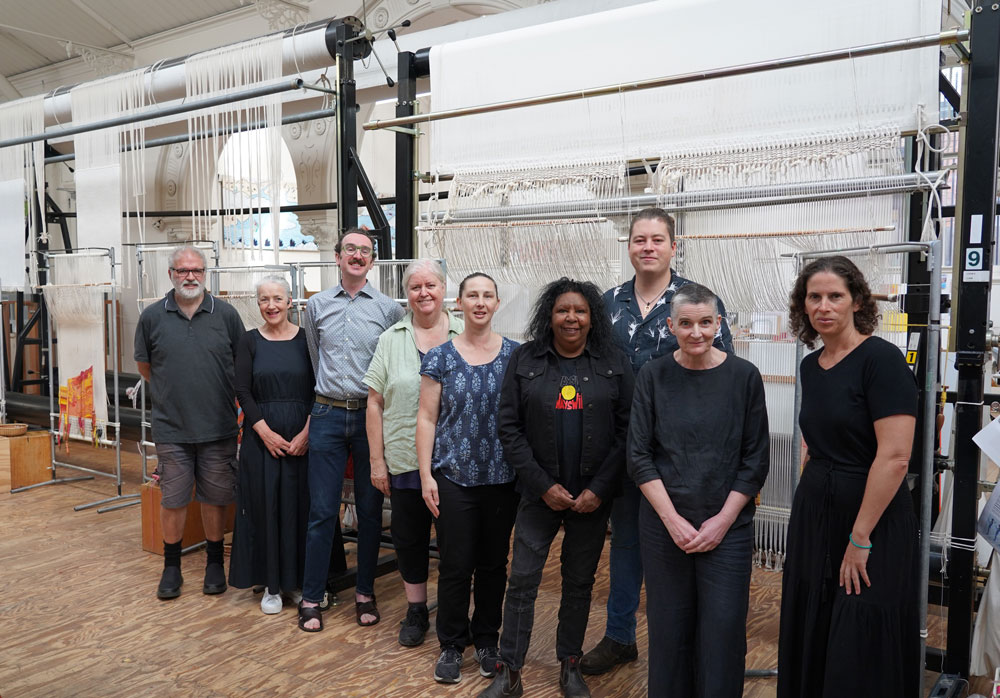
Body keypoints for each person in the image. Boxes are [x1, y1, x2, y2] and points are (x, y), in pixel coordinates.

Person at [583, 207, 734, 675]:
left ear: (674, 246)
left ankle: (688, 646)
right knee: (627, 544)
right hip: (622, 450)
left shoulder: (696, 303)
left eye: (657, 239)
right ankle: (620, 636)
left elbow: (723, 373)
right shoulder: (607, 305)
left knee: (683, 549)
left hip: (683, 453)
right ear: (629, 247)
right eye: (638, 240)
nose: (647, 247)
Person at [480, 278, 634, 698]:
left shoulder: (614, 362)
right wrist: (542, 484)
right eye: (563, 310)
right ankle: (509, 672)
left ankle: (570, 665)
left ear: (592, 318)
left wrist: (600, 488)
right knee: (523, 581)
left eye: (580, 311)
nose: (571, 318)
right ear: (549, 315)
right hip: (537, 495)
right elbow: (508, 428)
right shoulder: (525, 359)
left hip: (591, 498)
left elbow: (627, 432)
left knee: (579, 582)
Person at [778, 256, 919, 697]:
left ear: (856, 301)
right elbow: (816, 443)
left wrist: (859, 539)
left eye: (835, 296)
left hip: (871, 518)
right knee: (814, 616)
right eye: (813, 297)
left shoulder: (882, 359)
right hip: (816, 512)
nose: (824, 306)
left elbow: (895, 457)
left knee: (860, 623)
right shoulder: (810, 365)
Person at [628, 282, 769, 698]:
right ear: (671, 326)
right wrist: (672, 520)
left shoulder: (744, 377)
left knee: (723, 630)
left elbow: (755, 460)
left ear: (719, 324)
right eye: (686, 324)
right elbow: (639, 456)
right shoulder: (653, 375)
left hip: (728, 529)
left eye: (705, 323)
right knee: (669, 629)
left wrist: (722, 522)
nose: (696, 333)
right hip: (664, 527)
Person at [297, 229, 405, 632]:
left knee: (371, 510)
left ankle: (365, 593)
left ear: (372, 261)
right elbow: (313, 358)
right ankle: (312, 596)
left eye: (365, 251)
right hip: (326, 414)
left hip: (369, 417)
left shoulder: (389, 310)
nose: (357, 256)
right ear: (338, 257)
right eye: (351, 250)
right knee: (322, 511)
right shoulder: (317, 306)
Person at [415, 272, 519, 685]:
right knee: (456, 565)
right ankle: (452, 645)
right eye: (472, 295)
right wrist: (425, 474)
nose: (479, 302)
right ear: (458, 303)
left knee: (494, 565)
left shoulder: (516, 356)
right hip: (453, 477)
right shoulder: (440, 357)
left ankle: (487, 640)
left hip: (501, 478)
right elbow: (426, 417)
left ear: (496, 304)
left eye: (487, 296)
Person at [134, 245, 245, 600]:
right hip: (172, 428)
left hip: (219, 426)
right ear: (171, 275)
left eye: (196, 270)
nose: (190, 276)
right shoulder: (152, 316)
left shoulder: (226, 315)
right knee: (174, 499)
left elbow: (241, 366)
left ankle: (214, 563)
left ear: (205, 273)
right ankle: (172, 566)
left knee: (215, 497)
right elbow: (145, 368)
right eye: (182, 271)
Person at [364, 259, 464, 646]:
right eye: (415, 287)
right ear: (406, 294)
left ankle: (455, 612)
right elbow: (374, 402)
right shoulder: (392, 338)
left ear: (444, 289)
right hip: (405, 457)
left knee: (457, 541)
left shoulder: (462, 333)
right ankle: (416, 609)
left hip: (456, 462)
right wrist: (377, 460)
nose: (423, 293)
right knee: (409, 538)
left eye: (431, 285)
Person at [228, 275, 313, 614]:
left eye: (278, 298)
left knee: (300, 507)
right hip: (261, 439)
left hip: (303, 437)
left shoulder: (308, 340)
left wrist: (308, 432)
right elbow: (243, 391)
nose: (272, 305)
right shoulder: (249, 342)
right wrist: (263, 431)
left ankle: (298, 582)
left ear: (290, 302)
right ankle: (271, 586)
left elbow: (319, 387)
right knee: (265, 507)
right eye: (265, 299)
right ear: (258, 304)